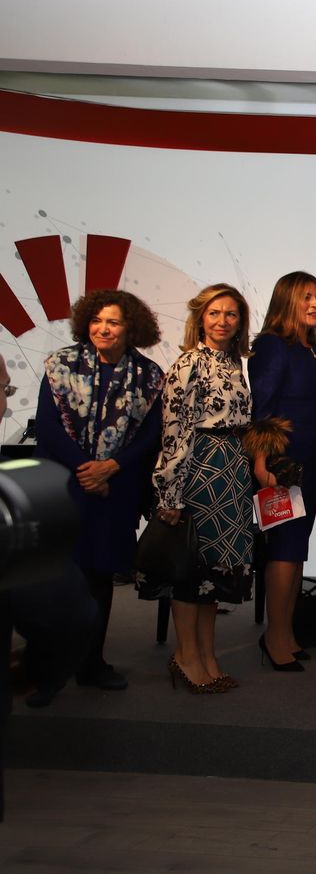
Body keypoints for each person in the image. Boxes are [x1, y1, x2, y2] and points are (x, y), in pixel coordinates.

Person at [34, 289, 164, 692]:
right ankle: (47, 669)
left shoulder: (149, 375)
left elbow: (151, 434)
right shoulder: (60, 365)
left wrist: (111, 466)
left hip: (116, 488)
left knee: (99, 577)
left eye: (113, 322)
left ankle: (92, 664)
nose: (103, 329)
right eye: (97, 321)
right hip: (67, 484)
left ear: (131, 328)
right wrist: (86, 468)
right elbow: (48, 426)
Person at [143, 284, 256, 692]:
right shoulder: (188, 362)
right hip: (199, 471)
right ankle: (185, 657)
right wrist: (169, 492)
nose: (223, 321)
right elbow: (174, 431)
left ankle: (208, 655)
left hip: (231, 471)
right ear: (200, 318)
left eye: (231, 314)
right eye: (215, 313)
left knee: (214, 574)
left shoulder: (233, 363)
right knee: (189, 569)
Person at [250, 271, 316, 670]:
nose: (314, 303)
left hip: (313, 461)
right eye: (305, 297)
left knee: (296, 550)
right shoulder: (271, 346)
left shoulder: (313, 349)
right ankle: (274, 637)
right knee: (282, 550)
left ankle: (286, 632)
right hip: (281, 463)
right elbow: (262, 409)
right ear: (286, 300)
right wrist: (262, 463)